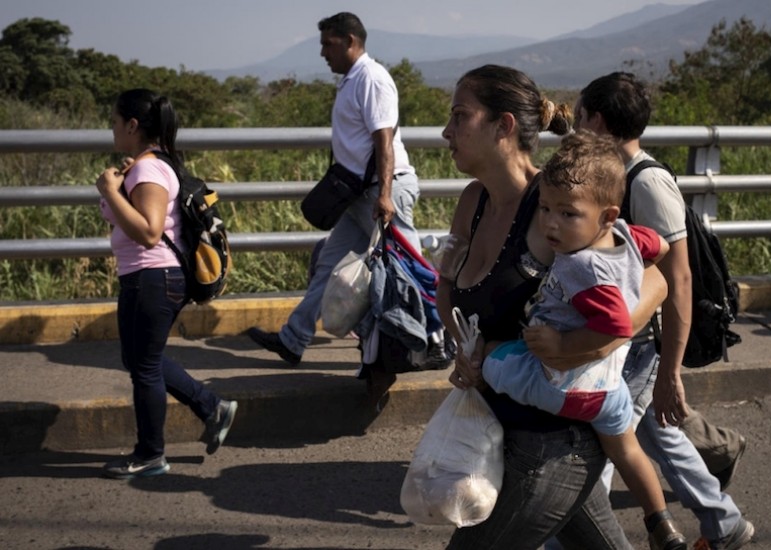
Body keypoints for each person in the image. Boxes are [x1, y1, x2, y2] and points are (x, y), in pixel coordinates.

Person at [437, 64, 668, 550]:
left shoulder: (558, 205)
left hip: (552, 445)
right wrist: (467, 353)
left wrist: (585, 344)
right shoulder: (472, 201)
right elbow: (450, 292)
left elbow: (653, 282)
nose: (446, 131)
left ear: (503, 126)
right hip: (503, 427)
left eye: (460, 116)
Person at [572, 71, 754, 550]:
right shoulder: (613, 170)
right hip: (622, 338)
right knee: (658, 434)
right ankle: (725, 523)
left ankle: (579, 539)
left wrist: (670, 369)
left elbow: (679, 279)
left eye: (580, 114)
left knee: (603, 445)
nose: (574, 122)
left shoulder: (647, 183)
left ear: (598, 119)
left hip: (640, 344)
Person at [482, 131, 687, 550]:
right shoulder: (629, 235)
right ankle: (660, 521)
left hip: (566, 384)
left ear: (607, 216)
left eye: (568, 214)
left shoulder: (582, 267)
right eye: (544, 209)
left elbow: (614, 325)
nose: (551, 223)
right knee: (628, 450)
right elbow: (662, 245)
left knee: (489, 362)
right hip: (609, 389)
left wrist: (561, 346)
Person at [246, 12, 427, 389]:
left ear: (350, 41)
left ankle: (434, 340)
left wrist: (386, 194)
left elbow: (384, 140)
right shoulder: (351, 80)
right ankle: (293, 340)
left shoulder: (372, 79)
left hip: (380, 192)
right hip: (360, 195)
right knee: (328, 265)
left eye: (328, 44)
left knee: (408, 268)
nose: (323, 53)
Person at [96, 88, 237, 479]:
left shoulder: (148, 169)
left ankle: (150, 454)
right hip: (149, 277)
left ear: (132, 125)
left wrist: (109, 190)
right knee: (141, 359)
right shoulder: (149, 165)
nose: (111, 129)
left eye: (114, 122)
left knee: (143, 366)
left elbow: (149, 232)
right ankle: (211, 407)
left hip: (151, 277)